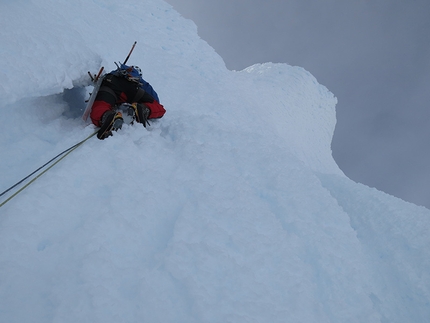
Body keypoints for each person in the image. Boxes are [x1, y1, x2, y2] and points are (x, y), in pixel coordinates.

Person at [90, 64, 166, 139]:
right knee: (158, 107)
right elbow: (154, 98)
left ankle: (106, 116)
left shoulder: (116, 72)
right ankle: (143, 109)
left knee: (101, 106)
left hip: (109, 83)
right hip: (130, 88)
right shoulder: (139, 79)